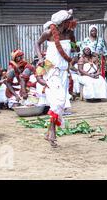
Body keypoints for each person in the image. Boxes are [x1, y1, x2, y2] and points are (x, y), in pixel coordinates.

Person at [35, 9, 78, 147]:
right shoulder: (49, 33)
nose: (72, 22)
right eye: (69, 21)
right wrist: (41, 58)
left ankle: (49, 132)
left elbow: (74, 47)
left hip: (64, 71)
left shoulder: (70, 33)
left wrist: (75, 56)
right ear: (63, 23)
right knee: (59, 101)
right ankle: (52, 130)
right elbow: (37, 44)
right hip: (51, 70)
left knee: (61, 103)